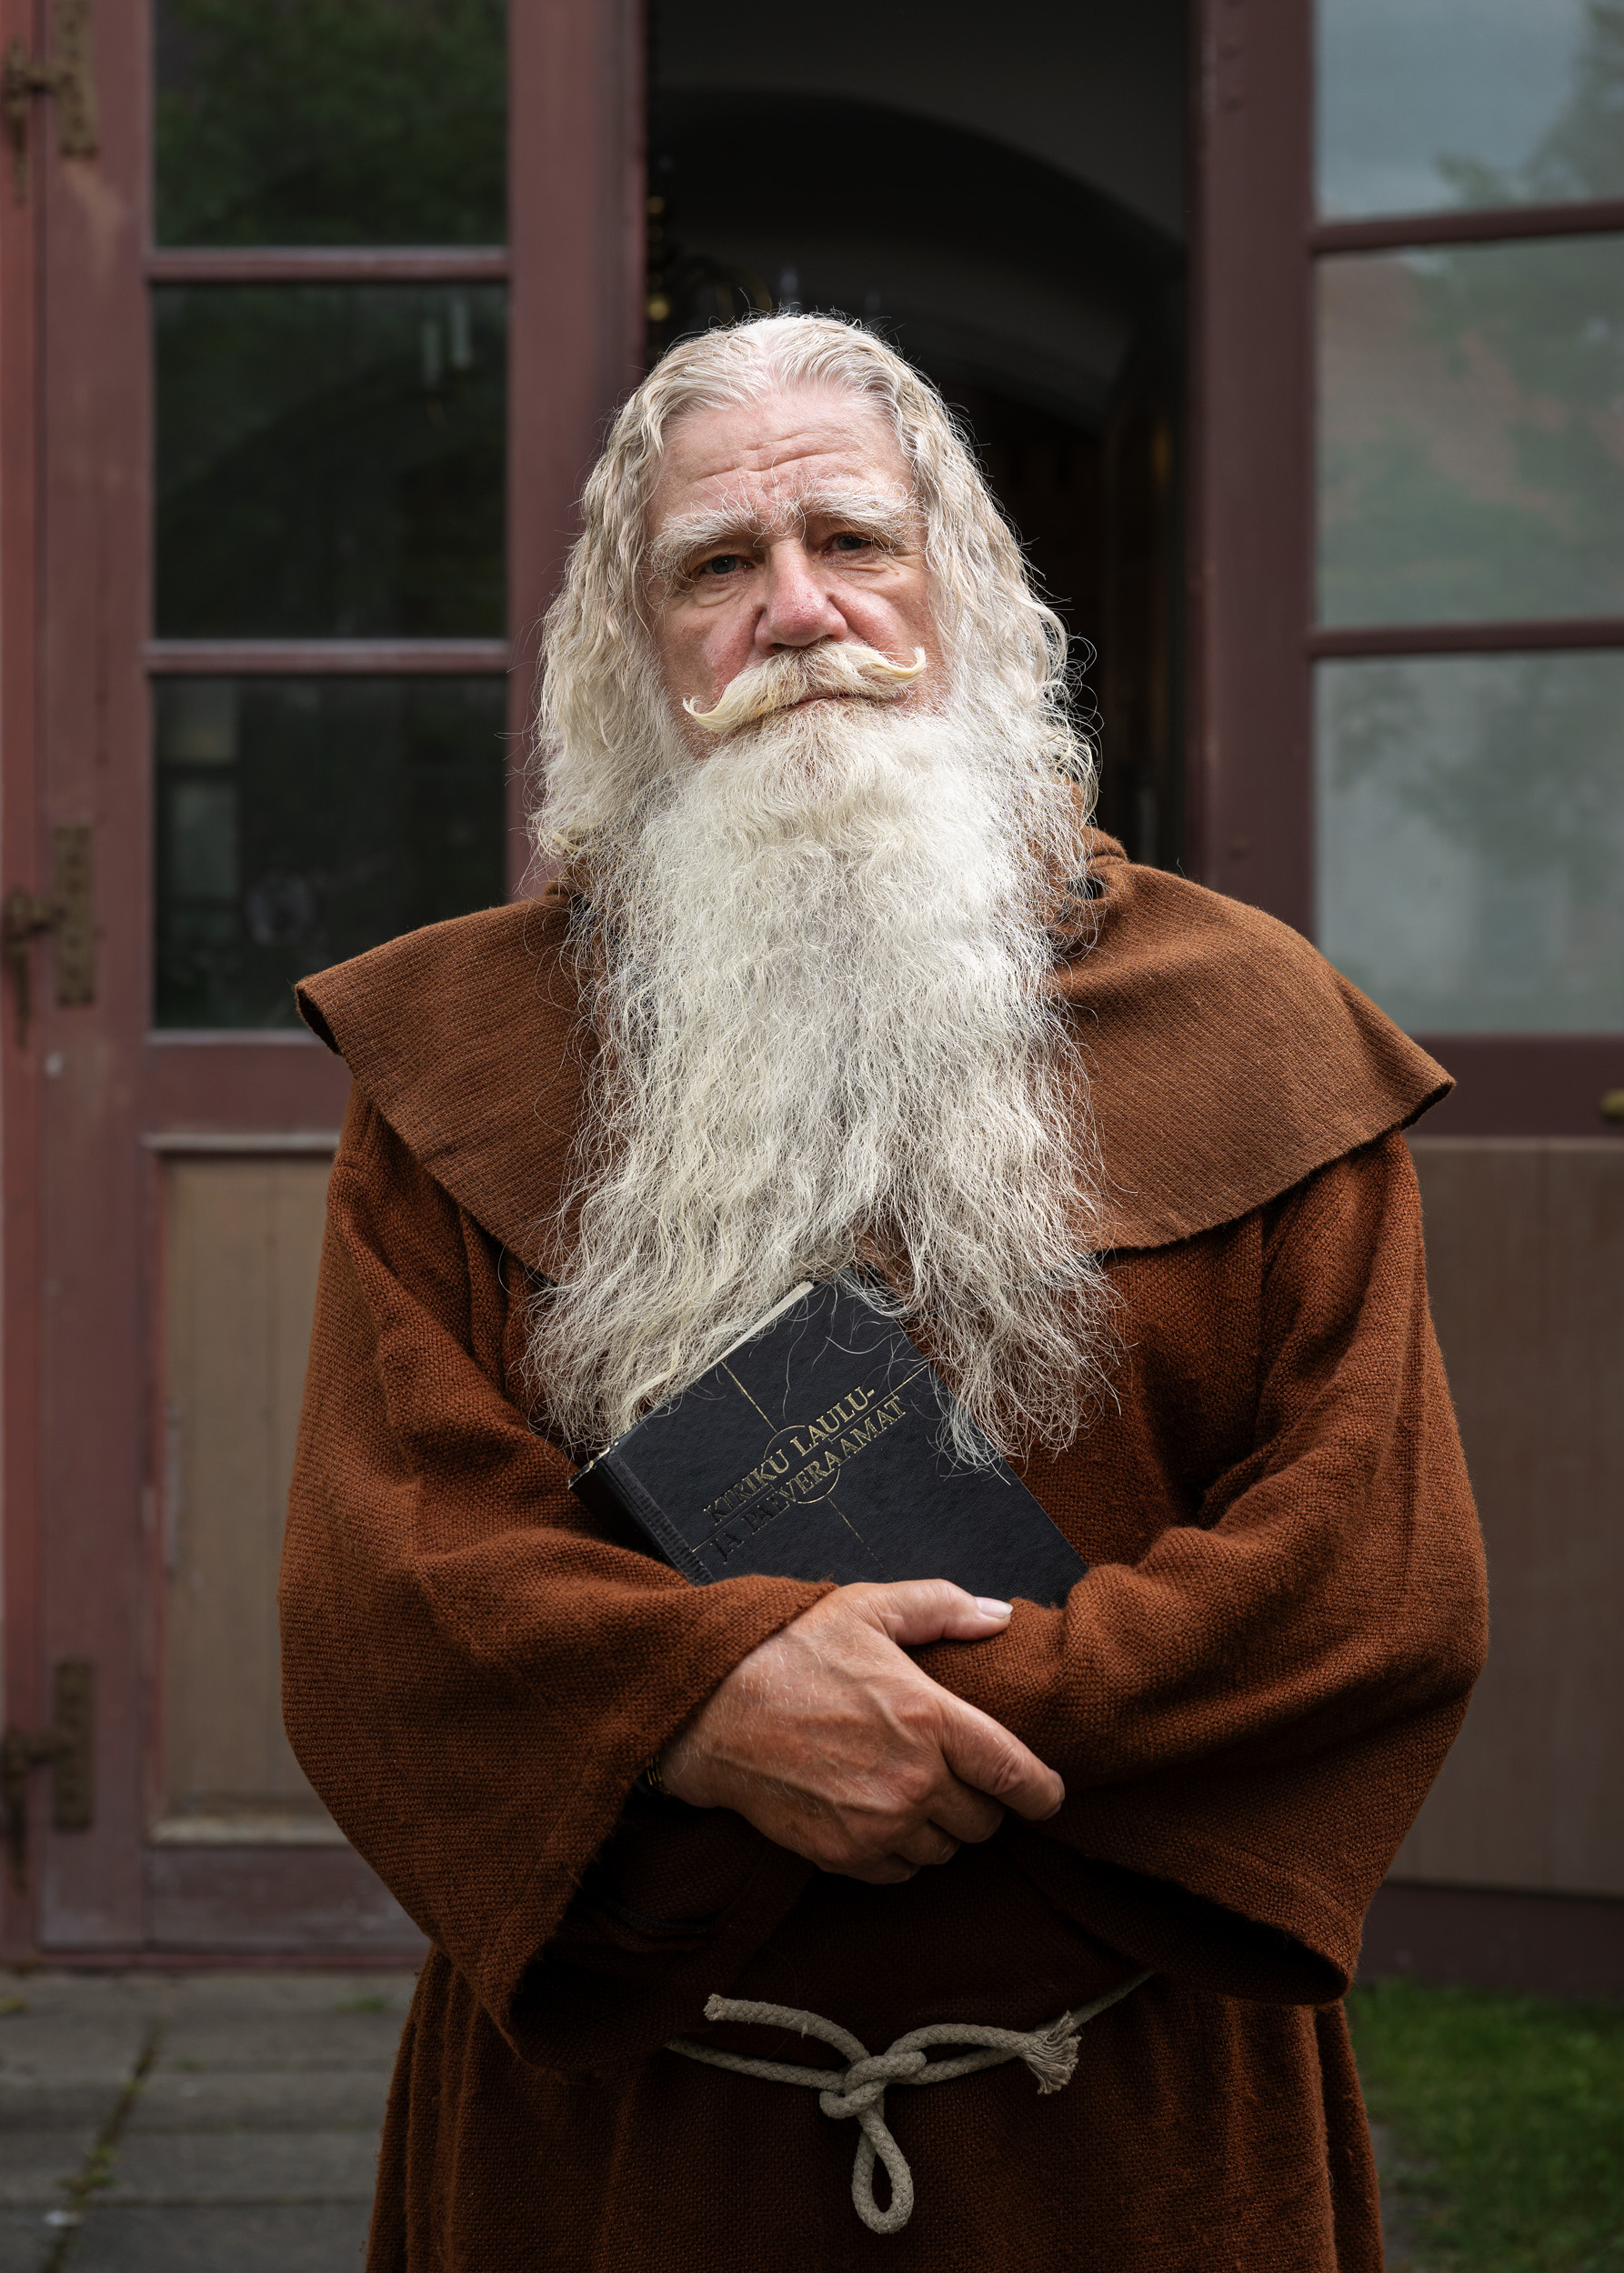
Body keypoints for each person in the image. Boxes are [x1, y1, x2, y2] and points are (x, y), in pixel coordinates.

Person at [282, 313, 1486, 2271]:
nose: (796, 612)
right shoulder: (456, 1055)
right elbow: (385, 1575)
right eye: (713, 565)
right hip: (628, 2144)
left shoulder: (1256, 1025)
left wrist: (937, 1719)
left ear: (965, 593)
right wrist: (705, 1702)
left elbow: (1370, 1566)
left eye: (852, 541)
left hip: (1123, 2135)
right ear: (631, 649)